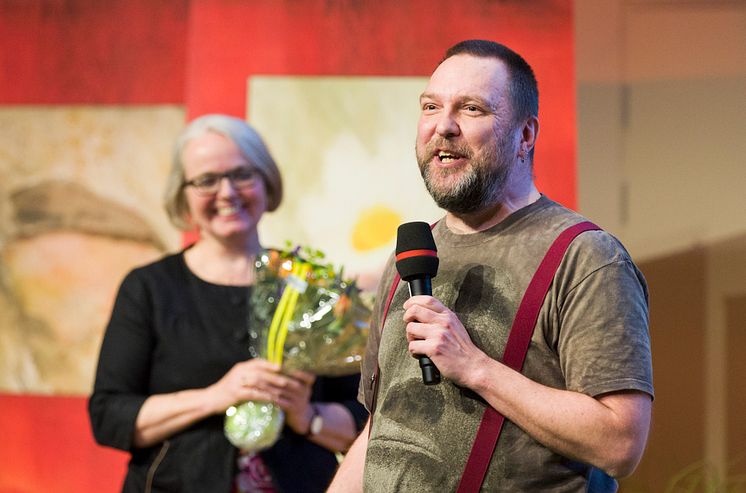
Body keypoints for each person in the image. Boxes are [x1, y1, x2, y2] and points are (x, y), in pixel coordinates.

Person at [328, 40, 653, 492]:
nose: (443, 126)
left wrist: (475, 367)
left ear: (525, 136)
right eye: (430, 107)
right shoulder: (410, 257)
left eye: (472, 109)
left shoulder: (586, 258)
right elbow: (382, 431)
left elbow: (619, 443)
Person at [89, 114, 367, 493]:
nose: (226, 192)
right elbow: (110, 417)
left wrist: (307, 416)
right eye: (206, 180)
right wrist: (216, 396)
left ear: (266, 182)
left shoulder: (311, 285)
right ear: (182, 196)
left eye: (241, 174)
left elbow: (365, 417)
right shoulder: (149, 288)